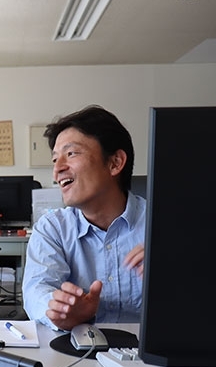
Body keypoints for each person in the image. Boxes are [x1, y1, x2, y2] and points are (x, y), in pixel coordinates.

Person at [22, 105, 146, 331]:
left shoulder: (164, 223)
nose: (57, 170)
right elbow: (36, 290)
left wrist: (175, 276)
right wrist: (59, 309)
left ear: (115, 162)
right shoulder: (52, 228)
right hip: (77, 346)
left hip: (150, 350)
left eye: (71, 154)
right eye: (55, 159)